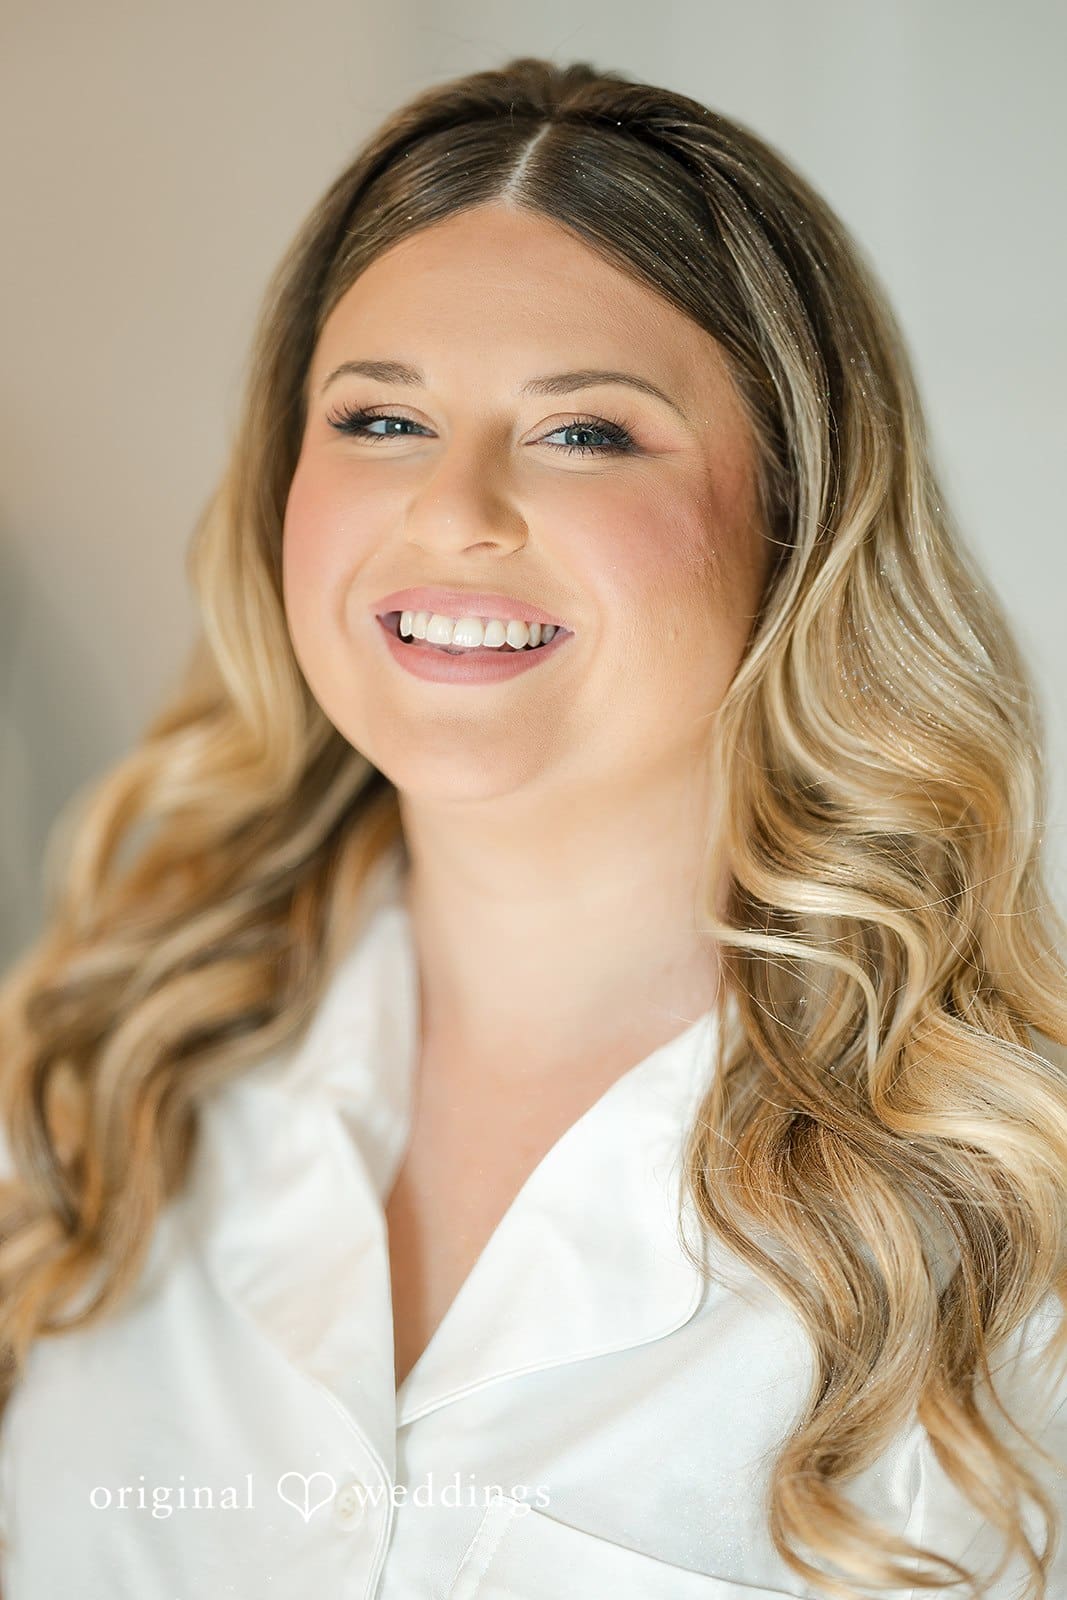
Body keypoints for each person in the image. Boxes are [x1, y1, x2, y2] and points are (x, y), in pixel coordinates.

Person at [0, 53, 1065, 1600]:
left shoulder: (1003, 1239)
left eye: (586, 435)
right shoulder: (90, 1088)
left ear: (799, 517)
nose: (454, 508)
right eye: (377, 420)